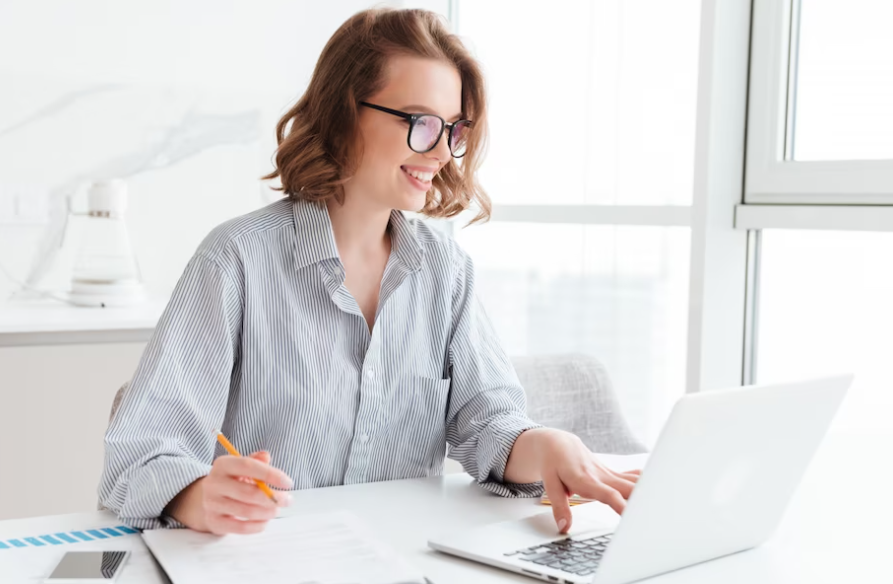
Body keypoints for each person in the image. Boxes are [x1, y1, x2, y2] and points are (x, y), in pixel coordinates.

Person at [99, 7, 639, 536]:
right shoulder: (235, 260)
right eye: (421, 123)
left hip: (405, 572)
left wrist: (544, 445)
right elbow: (140, 453)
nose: (442, 153)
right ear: (343, 113)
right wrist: (197, 496)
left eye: (452, 129)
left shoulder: (444, 272)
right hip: (267, 573)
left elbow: (488, 425)